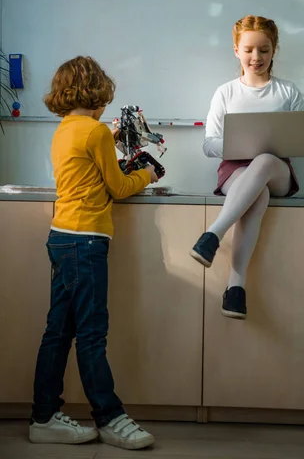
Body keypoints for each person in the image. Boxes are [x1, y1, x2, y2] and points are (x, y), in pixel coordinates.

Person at [30, 56, 157, 450]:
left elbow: (92, 178)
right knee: (91, 334)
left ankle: (44, 416)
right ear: (98, 91)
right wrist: (147, 174)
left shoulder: (66, 129)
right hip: (86, 240)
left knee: (58, 332)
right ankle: (110, 416)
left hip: (61, 236)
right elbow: (118, 187)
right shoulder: (96, 131)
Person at [190, 16, 304, 320]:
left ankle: (213, 235)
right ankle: (235, 288)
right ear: (236, 51)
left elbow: (299, 144)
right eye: (250, 50)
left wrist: (261, 152)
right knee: (258, 194)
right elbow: (208, 145)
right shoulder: (225, 92)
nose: (257, 57)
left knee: (265, 162)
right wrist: (243, 148)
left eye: (264, 50)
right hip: (236, 172)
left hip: (276, 170)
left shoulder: (288, 92)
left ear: (274, 50)